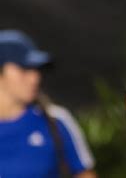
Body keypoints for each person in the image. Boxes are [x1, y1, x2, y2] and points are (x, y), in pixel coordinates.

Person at [0, 30, 97, 178]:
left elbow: (84, 174)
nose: (35, 78)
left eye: (36, 70)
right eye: (24, 69)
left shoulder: (55, 120)